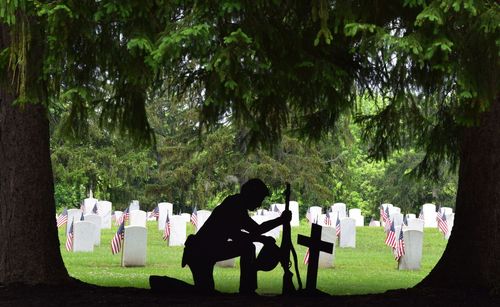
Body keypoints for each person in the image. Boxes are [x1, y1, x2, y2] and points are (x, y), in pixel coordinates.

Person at [181, 178, 291, 294]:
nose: (259, 204)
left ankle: (247, 289)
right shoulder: (235, 205)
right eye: (259, 199)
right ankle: (247, 290)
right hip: (201, 253)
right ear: (252, 195)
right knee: (205, 292)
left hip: (205, 251)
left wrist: (267, 234)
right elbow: (247, 232)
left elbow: (247, 232)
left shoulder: (236, 203)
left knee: (205, 292)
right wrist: (280, 221)